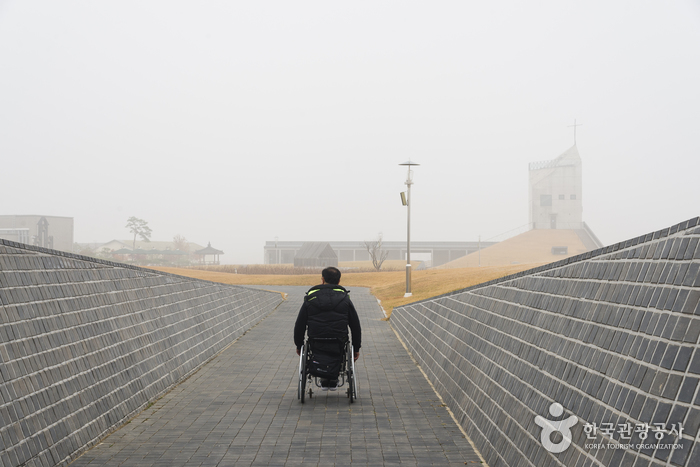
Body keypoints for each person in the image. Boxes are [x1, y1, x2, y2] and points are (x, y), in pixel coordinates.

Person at [294, 266, 361, 390]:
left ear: (322, 280)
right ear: (339, 281)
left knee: (318, 350)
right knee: (338, 349)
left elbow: (300, 325)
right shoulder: (345, 299)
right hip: (338, 341)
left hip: (316, 340)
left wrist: (299, 345)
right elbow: (355, 325)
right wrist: (356, 348)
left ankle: (322, 375)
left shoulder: (310, 298)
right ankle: (332, 377)